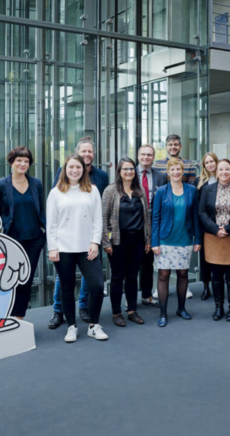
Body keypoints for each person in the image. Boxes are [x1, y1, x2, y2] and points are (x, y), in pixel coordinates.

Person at [49, 136, 109, 329]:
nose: (74, 170)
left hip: (87, 246)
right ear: (65, 170)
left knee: (97, 286)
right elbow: (51, 222)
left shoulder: (93, 189)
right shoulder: (56, 192)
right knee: (66, 288)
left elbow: (97, 219)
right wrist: (52, 247)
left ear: (83, 170)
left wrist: (95, 242)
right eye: (71, 167)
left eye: (78, 167)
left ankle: (93, 324)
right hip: (64, 247)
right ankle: (70, 326)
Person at [0, 146, 47, 320]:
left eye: (26, 161)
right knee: (10, 279)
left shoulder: (36, 183)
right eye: (19, 161)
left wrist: (45, 231)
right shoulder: (1, 185)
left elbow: (42, 209)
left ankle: (19, 317)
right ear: (11, 163)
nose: (23, 164)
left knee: (26, 279)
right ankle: (4, 315)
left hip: (34, 240)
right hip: (11, 241)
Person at [151, 157, 202, 327]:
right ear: (168, 171)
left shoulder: (191, 190)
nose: (176, 172)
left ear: (182, 171)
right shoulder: (161, 191)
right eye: (172, 169)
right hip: (165, 240)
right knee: (164, 275)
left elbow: (195, 216)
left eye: (178, 169)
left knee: (183, 274)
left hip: (185, 238)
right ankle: (163, 313)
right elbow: (155, 218)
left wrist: (197, 238)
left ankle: (181, 308)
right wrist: (154, 242)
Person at [101, 158, 151, 327]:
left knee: (132, 276)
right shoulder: (110, 191)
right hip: (117, 242)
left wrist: (147, 239)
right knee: (117, 277)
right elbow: (103, 218)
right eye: (125, 169)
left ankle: (132, 310)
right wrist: (106, 242)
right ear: (119, 172)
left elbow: (147, 217)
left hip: (137, 241)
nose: (129, 172)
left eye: (131, 169)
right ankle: (116, 312)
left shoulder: (141, 191)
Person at [199, 159, 230, 321]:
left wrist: (227, 229)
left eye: (227, 169)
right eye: (221, 169)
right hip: (212, 236)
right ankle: (219, 307)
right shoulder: (207, 189)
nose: (224, 172)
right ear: (216, 171)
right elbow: (202, 212)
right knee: (215, 274)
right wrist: (216, 229)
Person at [136, 144, 168, 307]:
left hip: (153, 222)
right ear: (138, 156)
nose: (146, 157)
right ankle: (130, 298)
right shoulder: (129, 173)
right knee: (132, 263)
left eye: (149, 155)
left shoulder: (161, 176)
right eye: (143, 154)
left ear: (153, 157)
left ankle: (147, 294)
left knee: (149, 261)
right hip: (133, 222)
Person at [196, 152, 219, 301]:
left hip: (221, 224)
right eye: (207, 162)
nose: (210, 164)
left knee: (220, 258)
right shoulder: (199, 181)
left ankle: (219, 286)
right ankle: (206, 287)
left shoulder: (223, 178)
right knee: (205, 259)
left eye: (212, 161)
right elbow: (198, 205)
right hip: (205, 226)